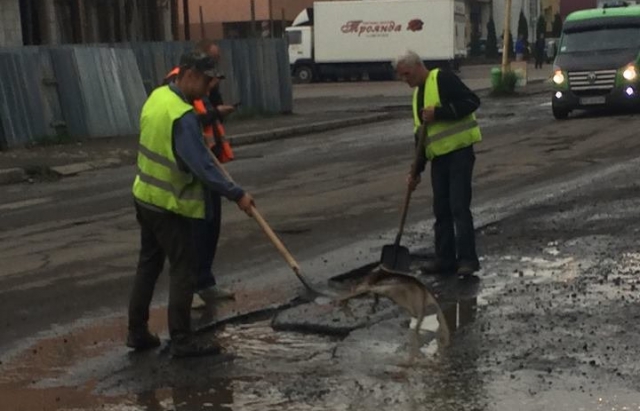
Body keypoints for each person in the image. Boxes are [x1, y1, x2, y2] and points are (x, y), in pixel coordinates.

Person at [126, 51, 254, 357]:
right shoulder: (182, 118)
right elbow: (203, 168)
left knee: (149, 265)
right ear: (190, 75)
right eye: (208, 82)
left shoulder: (158, 98)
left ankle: (137, 332)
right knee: (183, 269)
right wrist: (237, 193)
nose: (209, 89)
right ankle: (182, 340)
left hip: (146, 196)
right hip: (169, 204)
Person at [395, 50, 482, 277]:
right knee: (441, 210)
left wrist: (441, 113)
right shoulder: (417, 96)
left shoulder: (442, 78)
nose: (405, 80)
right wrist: (416, 170)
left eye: (406, 74)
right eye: (401, 76)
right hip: (439, 158)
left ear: (416, 67)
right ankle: (445, 259)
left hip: (459, 153)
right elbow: (421, 136)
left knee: (458, 207)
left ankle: (467, 260)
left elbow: (472, 101)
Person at [164, 40, 237, 309]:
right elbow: (188, 122)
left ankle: (205, 282)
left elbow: (206, 110)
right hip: (189, 170)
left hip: (209, 161)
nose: (210, 82)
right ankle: (190, 289)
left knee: (210, 226)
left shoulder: (202, 83)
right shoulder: (175, 85)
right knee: (192, 234)